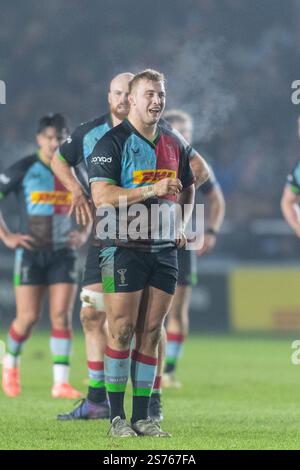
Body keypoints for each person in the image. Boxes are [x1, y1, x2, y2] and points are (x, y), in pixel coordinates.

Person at [88, 69, 208, 437]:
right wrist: (151, 191)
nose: (157, 101)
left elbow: (193, 178)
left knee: (152, 332)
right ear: (132, 100)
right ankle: (116, 418)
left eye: (161, 95)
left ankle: (143, 417)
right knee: (121, 329)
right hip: (120, 247)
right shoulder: (111, 143)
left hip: (163, 249)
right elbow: (102, 198)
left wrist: (185, 224)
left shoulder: (174, 141)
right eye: (150, 95)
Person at [52, 73, 133, 420]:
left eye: (129, 93)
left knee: (135, 324)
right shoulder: (89, 132)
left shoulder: (152, 135)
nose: (123, 99)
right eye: (118, 93)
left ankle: (148, 403)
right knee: (90, 314)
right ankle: (97, 400)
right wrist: (76, 189)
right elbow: (59, 159)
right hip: (103, 237)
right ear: (108, 96)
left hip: (140, 237)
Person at [0, 113, 90, 398]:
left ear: (66, 139)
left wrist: (84, 233)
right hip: (30, 253)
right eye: (49, 138)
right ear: (39, 139)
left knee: (61, 316)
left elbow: (93, 202)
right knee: (27, 318)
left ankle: (60, 383)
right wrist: (6, 236)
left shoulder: (75, 171)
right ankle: (10, 363)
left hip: (63, 253)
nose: (54, 143)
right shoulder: (24, 168)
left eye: (60, 138)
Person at [162, 109, 225, 388]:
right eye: (180, 130)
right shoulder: (158, 158)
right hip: (148, 239)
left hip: (183, 242)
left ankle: (169, 371)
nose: (185, 135)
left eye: (188, 131)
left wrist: (211, 231)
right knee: (144, 311)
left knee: (176, 311)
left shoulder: (197, 165)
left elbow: (217, 200)